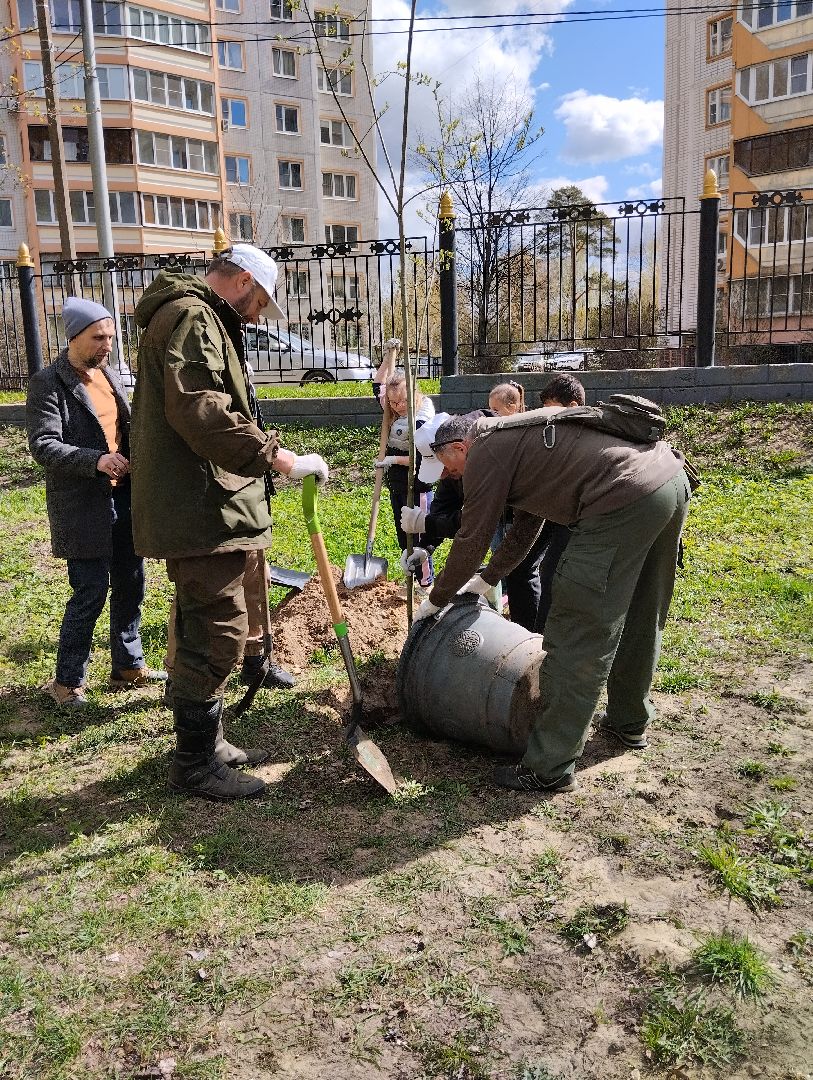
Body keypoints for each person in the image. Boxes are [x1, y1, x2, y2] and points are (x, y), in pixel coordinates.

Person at [130, 243, 329, 802]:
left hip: (204, 501)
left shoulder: (195, 317)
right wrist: (281, 459)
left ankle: (208, 741)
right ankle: (193, 764)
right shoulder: (194, 318)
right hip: (200, 504)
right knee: (216, 630)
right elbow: (202, 411)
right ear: (242, 280)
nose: (260, 313)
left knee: (210, 622)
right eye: (261, 299)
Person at [413, 409, 691, 793]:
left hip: (620, 499)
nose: (448, 477)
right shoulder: (514, 440)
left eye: (447, 468)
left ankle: (549, 766)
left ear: (461, 447)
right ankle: (630, 720)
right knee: (644, 611)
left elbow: (472, 538)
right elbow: (529, 524)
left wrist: (436, 599)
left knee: (579, 630)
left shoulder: (486, 454)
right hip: (668, 482)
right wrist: (488, 579)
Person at [26, 297, 166, 709]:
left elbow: (126, 427)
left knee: (132, 582)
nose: (107, 345)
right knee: (89, 592)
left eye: (110, 337)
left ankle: (128, 665)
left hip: (125, 496)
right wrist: (97, 461)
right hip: (84, 505)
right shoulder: (48, 382)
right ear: (73, 337)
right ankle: (67, 682)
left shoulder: (110, 375)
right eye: (98, 337)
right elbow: (43, 444)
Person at [372, 355, 435, 594]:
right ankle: (411, 582)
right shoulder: (392, 408)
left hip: (417, 486)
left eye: (403, 401)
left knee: (418, 535)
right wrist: (389, 357)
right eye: (393, 402)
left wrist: (392, 459)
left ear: (415, 396)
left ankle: (426, 585)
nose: (398, 406)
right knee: (402, 535)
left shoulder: (421, 420)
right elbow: (377, 385)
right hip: (397, 485)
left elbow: (420, 460)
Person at [533, 374, 587, 633]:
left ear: (573, 407)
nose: (547, 418)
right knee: (546, 570)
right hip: (558, 512)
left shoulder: (586, 433)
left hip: (580, 517)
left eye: (552, 411)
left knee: (556, 573)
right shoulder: (555, 432)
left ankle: (547, 637)